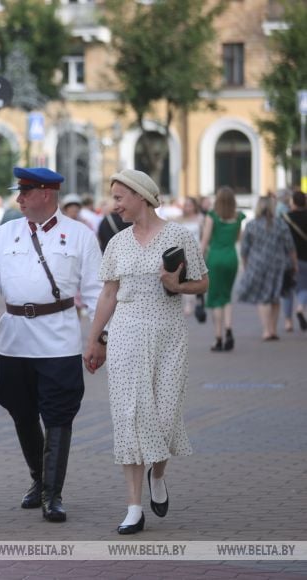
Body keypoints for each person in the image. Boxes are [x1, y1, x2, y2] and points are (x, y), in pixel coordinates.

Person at [0, 167, 103, 523]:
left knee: (58, 414)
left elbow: (98, 291)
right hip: (14, 340)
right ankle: (39, 480)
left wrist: (100, 337)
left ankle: (53, 494)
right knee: (21, 410)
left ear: (46, 194)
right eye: (19, 191)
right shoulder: (7, 232)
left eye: (25, 191)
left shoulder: (80, 235)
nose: (19, 198)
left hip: (59, 340)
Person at [83, 169, 208, 535]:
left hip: (169, 334)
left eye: (120, 198)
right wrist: (93, 339)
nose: (115, 205)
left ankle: (159, 473)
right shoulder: (117, 242)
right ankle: (134, 507)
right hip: (126, 332)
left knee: (165, 417)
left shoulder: (179, 236)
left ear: (141, 196)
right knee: (131, 416)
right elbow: (108, 294)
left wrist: (177, 285)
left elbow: (203, 282)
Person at [236, 195, 297, 341]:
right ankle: (273, 329)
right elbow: (290, 246)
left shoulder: (251, 224)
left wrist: (245, 265)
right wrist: (294, 264)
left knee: (262, 298)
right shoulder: (280, 224)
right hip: (277, 264)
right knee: (275, 296)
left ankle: (266, 330)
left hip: (257, 264)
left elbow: (244, 249)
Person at [200, 187, 245, 351]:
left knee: (215, 298)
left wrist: (197, 261)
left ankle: (218, 338)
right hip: (231, 258)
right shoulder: (238, 217)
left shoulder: (212, 216)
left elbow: (205, 240)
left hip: (215, 258)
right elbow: (239, 238)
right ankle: (229, 329)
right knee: (226, 296)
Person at [282, 191, 307, 332]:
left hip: (287, 258)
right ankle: (300, 307)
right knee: (304, 287)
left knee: (287, 290)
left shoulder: (285, 218)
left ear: (293, 202)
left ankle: (288, 322)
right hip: (305, 258)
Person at [178, 197, 204, 318]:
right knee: (184, 278)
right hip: (183, 251)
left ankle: (197, 300)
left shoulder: (200, 218)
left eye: (190, 205)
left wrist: (203, 249)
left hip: (197, 250)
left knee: (196, 277)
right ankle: (187, 303)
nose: (187, 207)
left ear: (194, 206)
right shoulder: (180, 220)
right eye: (186, 205)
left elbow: (204, 235)